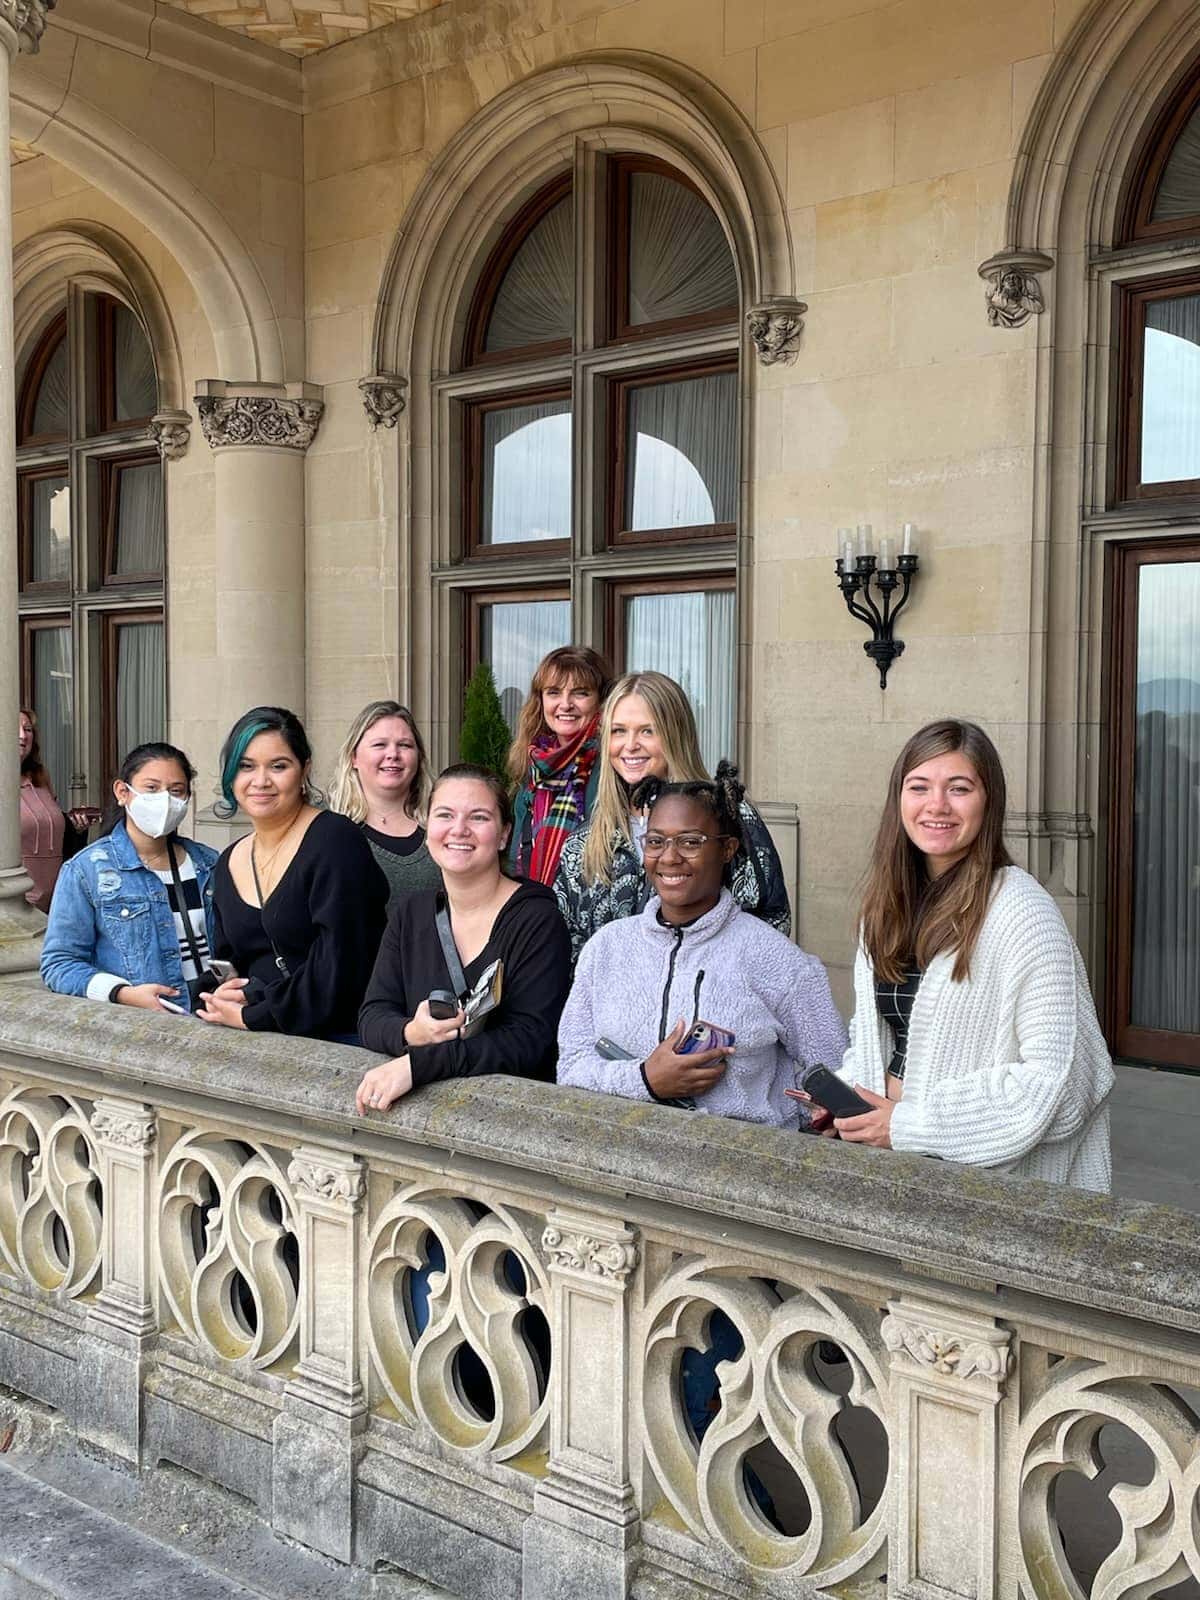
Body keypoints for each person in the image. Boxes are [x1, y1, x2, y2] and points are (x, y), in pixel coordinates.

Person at [812, 719, 1114, 1190]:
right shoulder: (886, 907)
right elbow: (882, 1038)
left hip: (990, 1192)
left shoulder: (1023, 912)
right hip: (894, 1171)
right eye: (919, 787)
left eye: (959, 788)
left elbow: (1053, 1085)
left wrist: (908, 1125)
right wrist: (850, 1094)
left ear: (988, 800)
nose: (937, 806)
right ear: (899, 800)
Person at [557, 763, 847, 1126]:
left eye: (690, 841)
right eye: (656, 841)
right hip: (616, 1159)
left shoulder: (778, 961)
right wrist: (646, 1079)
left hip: (734, 1169)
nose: (669, 857)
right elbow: (570, 1067)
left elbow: (834, 1077)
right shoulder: (606, 949)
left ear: (727, 849)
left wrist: (802, 1121)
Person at [356, 764, 571, 1113]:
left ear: (504, 834)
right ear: (428, 828)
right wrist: (412, 1033)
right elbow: (372, 1016)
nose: (459, 829)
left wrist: (420, 1064)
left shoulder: (537, 920)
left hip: (509, 1120)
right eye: (445, 815)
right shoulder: (410, 915)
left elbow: (529, 1040)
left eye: (479, 818)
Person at [554, 671, 790, 964]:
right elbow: (569, 947)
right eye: (618, 731)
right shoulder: (586, 840)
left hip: (706, 1002)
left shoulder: (727, 814)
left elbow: (770, 924)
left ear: (675, 735)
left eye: (647, 731)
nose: (630, 745)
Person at [201, 706, 388, 1041]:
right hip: (257, 1035)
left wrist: (254, 1013)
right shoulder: (229, 860)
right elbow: (231, 962)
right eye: (246, 766)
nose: (260, 781)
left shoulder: (334, 839)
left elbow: (341, 965)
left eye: (278, 766)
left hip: (338, 1040)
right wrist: (214, 996)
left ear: (305, 770)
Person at [41, 741, 218, 1012]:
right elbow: (59, 963)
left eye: (176, 791)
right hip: (143, 1028)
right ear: (123, 792)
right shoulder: (86, 871)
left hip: (216, 1020)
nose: (165, 799)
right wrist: (121, 993)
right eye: (152, 788)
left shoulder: (210, 863)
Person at [508, 646, 611, 885]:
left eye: (580, 693)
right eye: (553, 692)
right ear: (540, 699)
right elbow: (516, 859)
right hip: (536, 908)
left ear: (601, 700)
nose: (565, 704)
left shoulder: (611, 765)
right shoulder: (533, 767)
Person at [329, 700, 441, 913]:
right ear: (354, 757)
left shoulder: (443, 824)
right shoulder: (328, 827)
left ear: (418, 757)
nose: (393, 754)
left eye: (405, 745)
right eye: (380, 745)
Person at [19, 708, 65, 912]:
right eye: (14, 728)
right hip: (18, 900)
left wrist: (76, 825)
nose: (22, 735)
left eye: (27, 729)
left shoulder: (39, 776)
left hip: (56, 897)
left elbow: (47, 823)